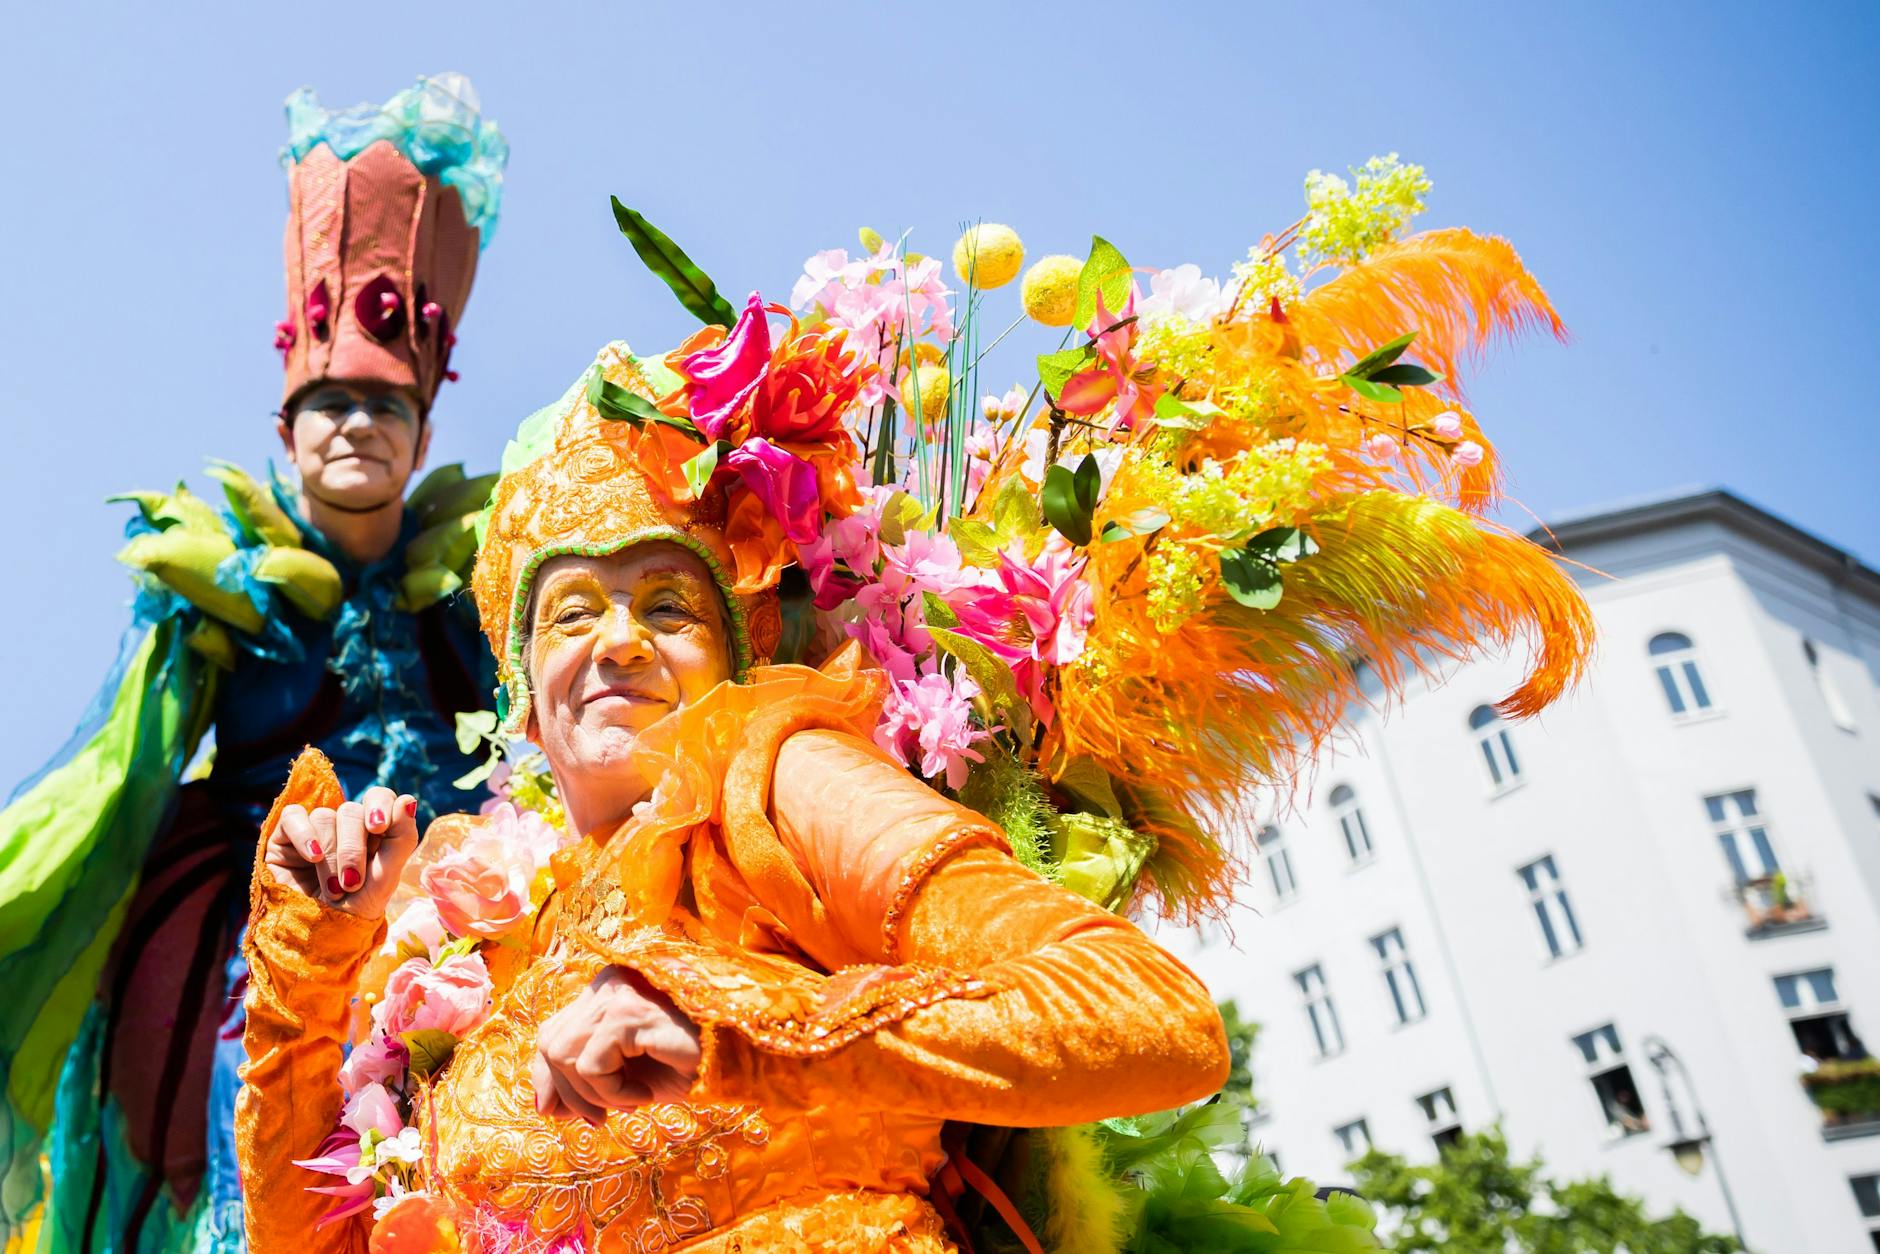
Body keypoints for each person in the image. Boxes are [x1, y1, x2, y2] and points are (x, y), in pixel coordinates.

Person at [234, 345, 1235, 1252]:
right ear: (524, 705)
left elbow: (1152, 1016)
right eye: (573, 612)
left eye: (666, 606)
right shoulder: (479, 930)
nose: (619, 641)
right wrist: (306, 972)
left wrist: (750, 1047)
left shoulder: (777, 782)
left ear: (734, 657)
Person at [0, 73, 506, 1254]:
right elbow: (108, 780)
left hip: (456, 926)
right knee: (278, 1164)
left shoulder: (475, 587)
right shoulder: (221, 588)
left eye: (382, 408)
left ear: (425, 433)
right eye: (326, 405)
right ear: (285, 434)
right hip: (265, 949)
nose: (353, 429)